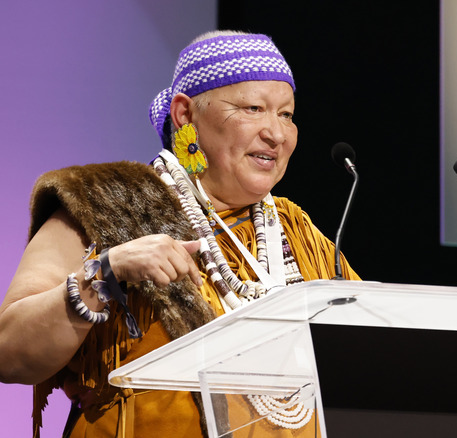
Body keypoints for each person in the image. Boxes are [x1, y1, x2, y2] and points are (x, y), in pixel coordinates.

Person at [0, 30, 359, 437]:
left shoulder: (297, 232)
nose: (276, 134)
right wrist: (106, 272)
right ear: (185, 114)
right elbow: (10, 353)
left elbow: (371, 350)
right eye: (254, 108)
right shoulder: (105, 204)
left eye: (286, 115)